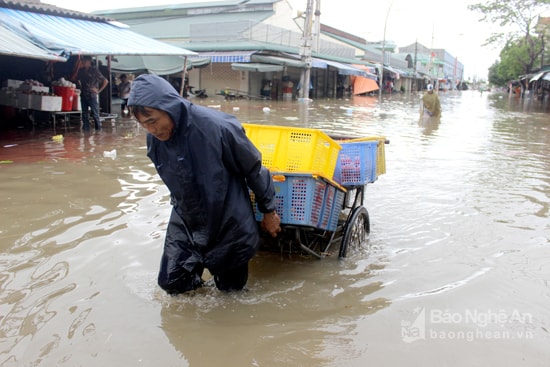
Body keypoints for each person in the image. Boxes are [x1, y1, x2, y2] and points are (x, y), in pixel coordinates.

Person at [127, 74, 281, 295]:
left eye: (153, 121)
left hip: (227, 220)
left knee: (230, 293)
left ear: (169, 107)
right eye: (143, 124)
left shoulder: (217, 127)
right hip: (186, 219)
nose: (151, 129)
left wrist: (268, 211)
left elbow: (253, 168)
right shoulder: (155, 140)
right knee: (172, 282)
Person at [71, 56, 108, 131]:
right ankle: (86, 132)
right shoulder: (81, 70)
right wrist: (77, 67)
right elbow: (74, 78)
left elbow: (105, 81)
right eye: (83, 60)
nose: (83, 62)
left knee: (95, 114)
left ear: (89, 61)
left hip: (92, 95)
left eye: (85, 60)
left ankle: (98, 130)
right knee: (84, 115)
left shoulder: (94, 70)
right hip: (83, 94)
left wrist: (98, 91)